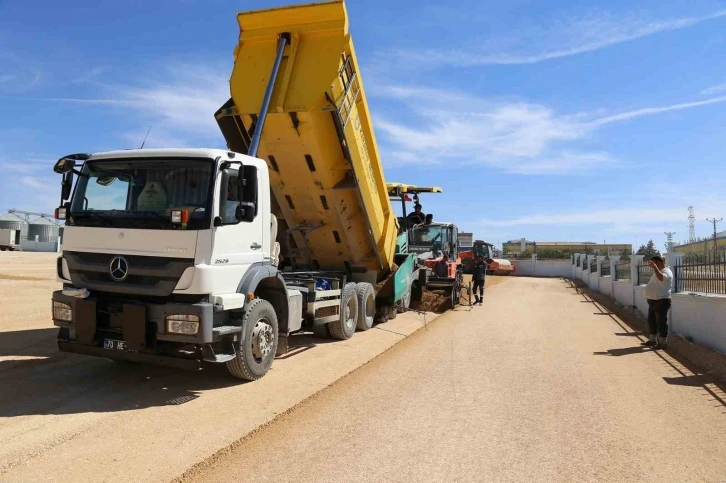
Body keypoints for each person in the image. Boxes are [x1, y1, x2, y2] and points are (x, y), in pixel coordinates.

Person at [641, 255, 673, 349]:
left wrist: (655, 268)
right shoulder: (657, 272)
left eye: (653, 263)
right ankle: (652, 340)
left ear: (659, 262)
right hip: (653, 300)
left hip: (662, 300)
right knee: (651, 321)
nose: (652, 266)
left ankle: (662, 342)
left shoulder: (667, 271)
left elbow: (662, 278)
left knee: (661, 322)